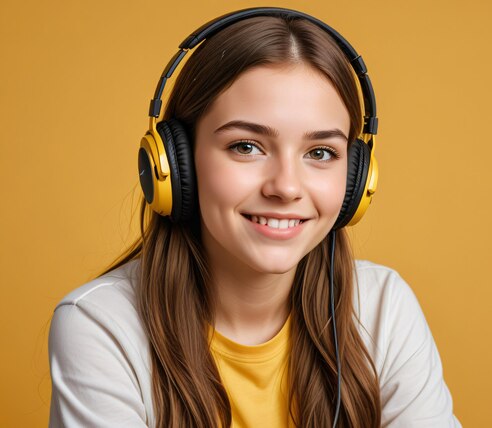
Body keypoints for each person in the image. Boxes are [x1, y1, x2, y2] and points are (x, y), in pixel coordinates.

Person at [48, 7, 461, 428]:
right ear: (174, 163)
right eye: (247, 146)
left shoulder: (382, 309)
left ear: (356, 179)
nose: (285, 187)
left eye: (320, 153)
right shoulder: (103, 324)